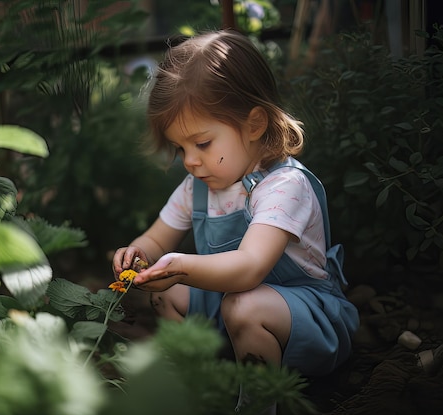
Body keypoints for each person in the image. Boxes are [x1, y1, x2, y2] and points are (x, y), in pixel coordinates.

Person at [112, 29, 359, 378]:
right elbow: (155, 242)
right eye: (181, 149)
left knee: (243, 304)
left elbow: (249, 268)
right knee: (168, 296)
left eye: (202, 143)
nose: (190, 161)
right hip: (231, 311)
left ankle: (260, 402)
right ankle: (198, 382)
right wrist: (136, 255)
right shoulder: (195, 188)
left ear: (254, 124)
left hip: (303, 318)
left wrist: (181, 266)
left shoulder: (285, 186)